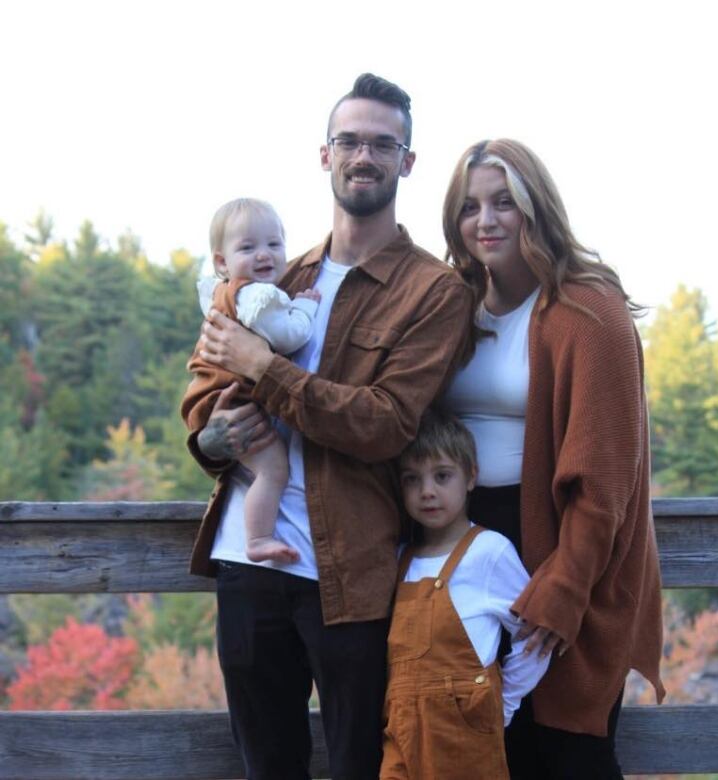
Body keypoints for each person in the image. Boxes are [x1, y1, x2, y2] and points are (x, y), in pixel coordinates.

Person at [184, 74, 472, 780]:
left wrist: (266, 368)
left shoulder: (434, 292)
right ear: (326, 155)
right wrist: (212, 436)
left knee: (361, 766)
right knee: (267, 766)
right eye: (350, 141)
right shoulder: (276, 273)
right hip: (246, 565)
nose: (363, 156)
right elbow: (203, 399)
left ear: (406, 162)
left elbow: (385, 424)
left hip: (347, 577)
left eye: (382, 144)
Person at [441, 138, 666, 779]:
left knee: (567, 753)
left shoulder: (586, 309)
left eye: (504, 202)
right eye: (470, 206)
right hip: (462, 544)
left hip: (553, 544)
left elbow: (606, 481)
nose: (485, 220)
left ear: (536, 206)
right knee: (483, 751)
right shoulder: (452, 303)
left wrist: (565, 589)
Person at [380, 409, 549, 780]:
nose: (427, 491)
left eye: (442, 476)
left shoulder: (488, 551)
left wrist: (501, 706)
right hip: (403, 731)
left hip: (466, 734)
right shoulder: (399, 559)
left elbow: (532, 635)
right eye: (412, 479)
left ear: (470, 477)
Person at [183, 197, 320, 564]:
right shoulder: (255, 295)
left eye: (274, 245)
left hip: (209, 398)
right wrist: (306, 306)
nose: (264, 255)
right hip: (232, 402)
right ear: (221, 262)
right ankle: (258, 539)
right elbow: (290, 335)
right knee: (273, 468)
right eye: (248, 247)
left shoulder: (221, 292)